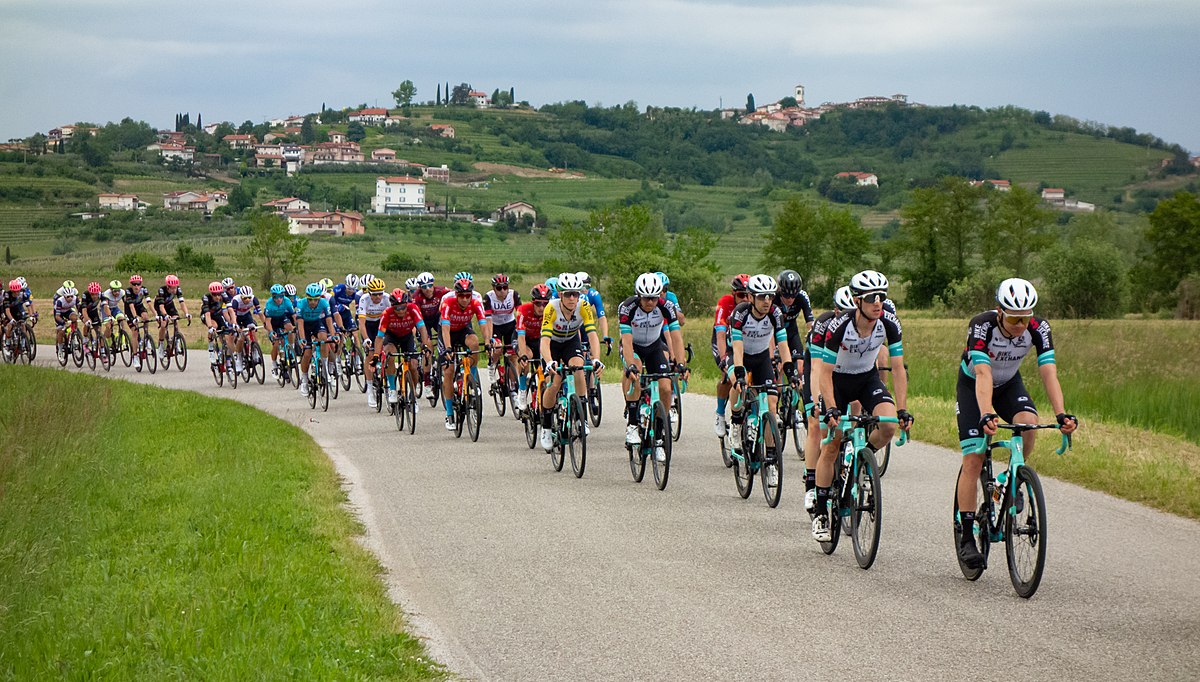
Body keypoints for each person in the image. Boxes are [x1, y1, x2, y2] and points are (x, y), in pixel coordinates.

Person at [953, 277, 1078, 569]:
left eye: (1026, 317)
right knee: (973, 458)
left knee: (1029, 422)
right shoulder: (982, 325)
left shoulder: (1039, 328)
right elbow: (983, 374)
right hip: (974, 385)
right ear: (999, 311)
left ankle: (1013, 479)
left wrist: (1061, 414)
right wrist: (986, 413)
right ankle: (968, 535)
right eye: (1014, 318)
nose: (1021, 325)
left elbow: (1049, 372)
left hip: (1009, 384)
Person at [811, 270, 912, 543]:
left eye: (882, 296)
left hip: (866, 379)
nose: (878, 302)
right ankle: (821, 511)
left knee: (888, 425)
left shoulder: (889, 322)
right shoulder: (840, 326)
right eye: (871, 298)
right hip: (838, 381)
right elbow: (824, 371)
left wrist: (902, 409)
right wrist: (831, 407)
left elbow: (899, 368)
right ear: (857, 301)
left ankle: (863, 457)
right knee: (831, 444)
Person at [727, 275, 797, 490]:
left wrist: (790, 370)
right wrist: (739, 374)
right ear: (750, 297)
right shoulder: (740, 313)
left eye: (770, 296)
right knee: (737, 386)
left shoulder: (775, 313)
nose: (767, 301)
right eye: (762, 297)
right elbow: (737, 347)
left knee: (772, 404)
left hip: (761, 358)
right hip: (739, 356)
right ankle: (736, 423)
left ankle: (771, 460)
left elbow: (783, 344)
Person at [618, 273, 685, 462]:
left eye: (655, 297)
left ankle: (659, 434)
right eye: (647, 298)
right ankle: (632, 424)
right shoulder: (627, 308)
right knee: (635, 371)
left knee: (665, 387)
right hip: (633, 346)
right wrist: (630, 365)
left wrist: (681, 364)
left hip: (654, 346)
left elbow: (676, 336)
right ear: (639, 295)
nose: (651, 302)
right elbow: (627, 341)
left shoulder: (666, 307)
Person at [801, 286, 855, 513]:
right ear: (835, 311)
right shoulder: (823, 326)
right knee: (816, 426)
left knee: (852, 424)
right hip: (820, 371)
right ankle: (812, 485)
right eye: (845, 313)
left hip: (847, 372)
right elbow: (816, 369)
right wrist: (816, 402)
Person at [538, 272, 603, 451]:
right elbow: (544, 341)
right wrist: (550, 361)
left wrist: (596, 359)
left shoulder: (584, 306)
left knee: (579, 368)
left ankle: (581, 418)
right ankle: (546, 426)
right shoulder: (551, 308)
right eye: (568, 294)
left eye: (575, 293)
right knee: (556, 380)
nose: (572, 298)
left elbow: (592, 335)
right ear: (560, 294)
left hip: (570, 341)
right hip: (552, 344)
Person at [438, 277, 491, 431]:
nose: (465, 299)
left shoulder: (475, 303)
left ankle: (471, 379)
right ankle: (449, 414)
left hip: (462, 330)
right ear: (456, 295)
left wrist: (487, 342)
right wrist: (448, 348)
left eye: (468, 295)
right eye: (461, 296)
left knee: (474, 342)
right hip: (447, 333)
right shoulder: (448, 304)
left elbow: (483, 324)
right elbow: (445, 329)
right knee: (448, 371)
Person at [375, 287, 431, 408]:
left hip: (407, 336)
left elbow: (422, 328)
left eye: (403, 307)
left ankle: (413, 394)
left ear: (407, 304)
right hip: (392, 337)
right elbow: (379, 337)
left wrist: (425, 345)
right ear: (392, 306)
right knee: (390, 355)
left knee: (414, 365)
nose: (400, 311)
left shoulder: (413, 308)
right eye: (397, 308)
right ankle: (393, 390)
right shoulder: (387, 313)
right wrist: (375, 355)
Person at [711, 274, 751, 437]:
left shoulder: (754, 306)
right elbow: (720, 334)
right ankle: (720, 413)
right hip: (723, 342)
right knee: (728, 376)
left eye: (749, 295)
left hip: (741, 341)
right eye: (741, 295)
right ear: (733, 294)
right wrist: (723, 360)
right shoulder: (725, 303)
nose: (745, 299)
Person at [296, 282, 338, 397]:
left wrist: (333, 335)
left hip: (316, 323)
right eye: (310, 300)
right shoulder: (301, 304)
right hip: (304, 325)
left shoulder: (324, 302)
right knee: (308, 353)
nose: (313, 302)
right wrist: (302, 339)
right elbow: (299, 324)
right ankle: (304, 379)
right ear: (307, 298)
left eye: (315, 300)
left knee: (324, 338)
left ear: (320, 298)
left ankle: (325, 369)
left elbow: (329, 320)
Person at [515, 284, 551, 412]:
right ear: (532, 302)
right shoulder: (523, 310)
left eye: (545, 304)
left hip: (540, 340)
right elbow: (520, 335)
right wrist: (523, 355)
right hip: (525, 339)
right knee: (526, 357)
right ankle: (522, 390)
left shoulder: (551, 312)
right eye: (538, 304)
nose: (541, 308)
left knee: (547, 369)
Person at [357, 278, 390, 407]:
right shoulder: (364, 299)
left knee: (387, 352)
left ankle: (388, 385)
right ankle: (370, 388)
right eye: (375, 294)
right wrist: (366, 339)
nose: (378, 297)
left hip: (381, 325)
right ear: (369, 293)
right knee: (370, 355)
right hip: (369, 326)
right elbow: (362, 324)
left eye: (380, 293)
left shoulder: (387, 298)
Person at [484, 273, 521, 388]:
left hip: (510, 324)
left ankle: (513, 385)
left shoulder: (513, 294)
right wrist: (490, 339)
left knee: (513, 355)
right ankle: (492, 365)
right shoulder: (488, 297)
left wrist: (521, 332)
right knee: (498, 348)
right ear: (494, 288)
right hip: (495, 326)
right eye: (499, 288)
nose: (502, 291)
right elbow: (488, 321)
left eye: (505, 287)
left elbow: (520, 315)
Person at [154, 275, 191, 360]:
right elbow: (161, 307)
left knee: (176, 321)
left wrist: (187, 314)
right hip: (160, 306)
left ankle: (176, 342)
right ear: (168, 287)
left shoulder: (178, 289)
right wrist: (165, 315)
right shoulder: (161, 290)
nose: (174, 290)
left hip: (170, 305)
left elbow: (182, 303)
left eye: (175, 288)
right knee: (164, 325)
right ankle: (161, 346)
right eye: (172, 288)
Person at [264, 283, 297, 375]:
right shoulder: (269, 304)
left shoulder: (287, 301)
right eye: (276, 297)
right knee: (276, 343)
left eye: (281, 296)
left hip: (282, 318)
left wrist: (297, 327)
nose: (279, 299)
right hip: (272, 322)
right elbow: (268, 321)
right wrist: (271, 332)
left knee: (290, 328)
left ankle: (291, 348)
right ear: (273, 296)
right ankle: (274, 365)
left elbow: (294, 315)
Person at [53, 284, 81, 354]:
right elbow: (57, 316)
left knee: (74, 318)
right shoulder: (60, 301)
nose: (70, 298)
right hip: (59, 314)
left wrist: (81, 316)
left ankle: (74, 335)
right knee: (61, 331)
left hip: (68, 311)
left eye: (72, 296)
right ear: (64, 296)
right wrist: (63, 322)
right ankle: (60, 349)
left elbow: (79, 310)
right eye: (68, 297)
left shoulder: (75, 299)